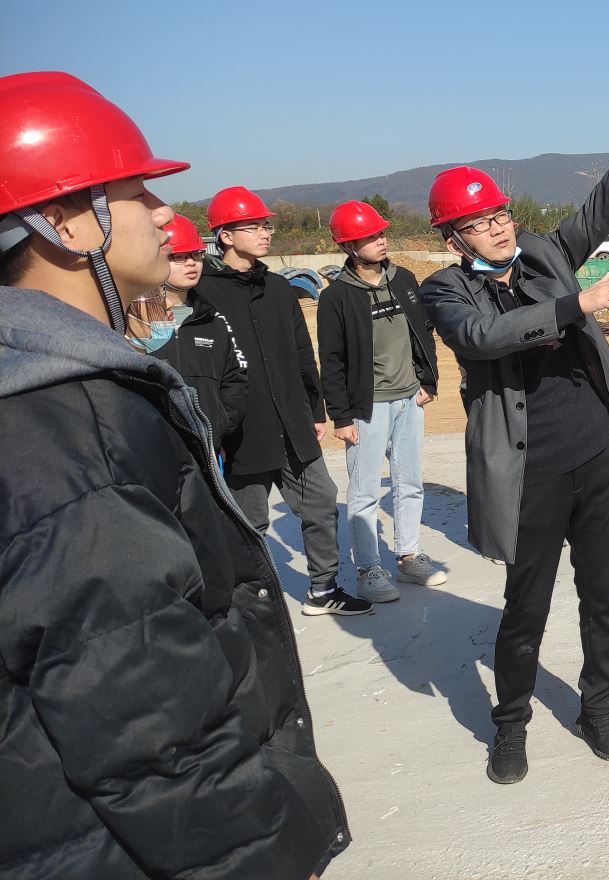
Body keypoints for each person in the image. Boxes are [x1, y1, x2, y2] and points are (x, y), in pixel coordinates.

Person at [0, 71, 350, 878]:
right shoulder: (70, 431)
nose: (166, 215)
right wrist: (262, 854)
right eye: (137, 193)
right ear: (64, 222)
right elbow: (155, 733)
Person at [419, 76, 609, 785]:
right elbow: (484, 337)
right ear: (453, 237)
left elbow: (597, 209)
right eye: (480, 222)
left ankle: (598, 707)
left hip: (594, 453)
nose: (499, 227)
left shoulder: (545, 254)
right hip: (529, 472)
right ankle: (510, 726)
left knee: (603, 595)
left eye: (501, 213)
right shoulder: (445, 290)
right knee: (526, 606)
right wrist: (573, 307)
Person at [197, 185, 372, 616]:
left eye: (266, 226)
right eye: (253, 226)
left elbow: (301, 353)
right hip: (241, 430)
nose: (265, 233)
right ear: (225, 235)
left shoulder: (278, 287)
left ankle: (323, 589)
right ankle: (253, 603)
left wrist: (315, 410)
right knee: (250, 523)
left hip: (292, 421)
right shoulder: (203, 292)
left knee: (321, 501)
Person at [317, 199, 445, 603]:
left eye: (381, 233)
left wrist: (427, 381)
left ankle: (408, 557)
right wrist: (341, 417)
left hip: (409, 399)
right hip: (366, 407)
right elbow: (331, 360)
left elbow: (422, 333)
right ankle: (369, 569)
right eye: (370, 236)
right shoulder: (336, 297)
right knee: (364, 490)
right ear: (349, 246)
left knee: (409, 482)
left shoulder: (404, 279)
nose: (381, 240)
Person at [125, 212, 249, 460]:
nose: (191, 263)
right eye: (178, 257)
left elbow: (234, 380)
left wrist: (218, 429)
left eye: (196, 255)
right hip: (151, 453)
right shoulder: (132, 322)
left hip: (207, 450)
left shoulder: (212, 319)